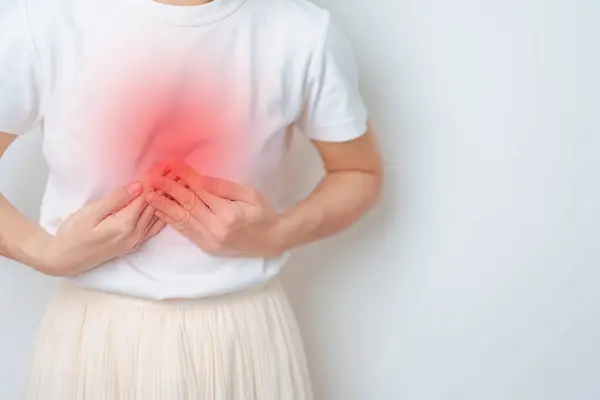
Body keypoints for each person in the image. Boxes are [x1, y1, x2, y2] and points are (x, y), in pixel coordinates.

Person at [0, 0, 382, 398]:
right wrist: (43, 252)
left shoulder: (302, 31)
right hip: (94, 339)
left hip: (245, 340)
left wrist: (278, 233)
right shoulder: (43, 21)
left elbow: (358, 172)